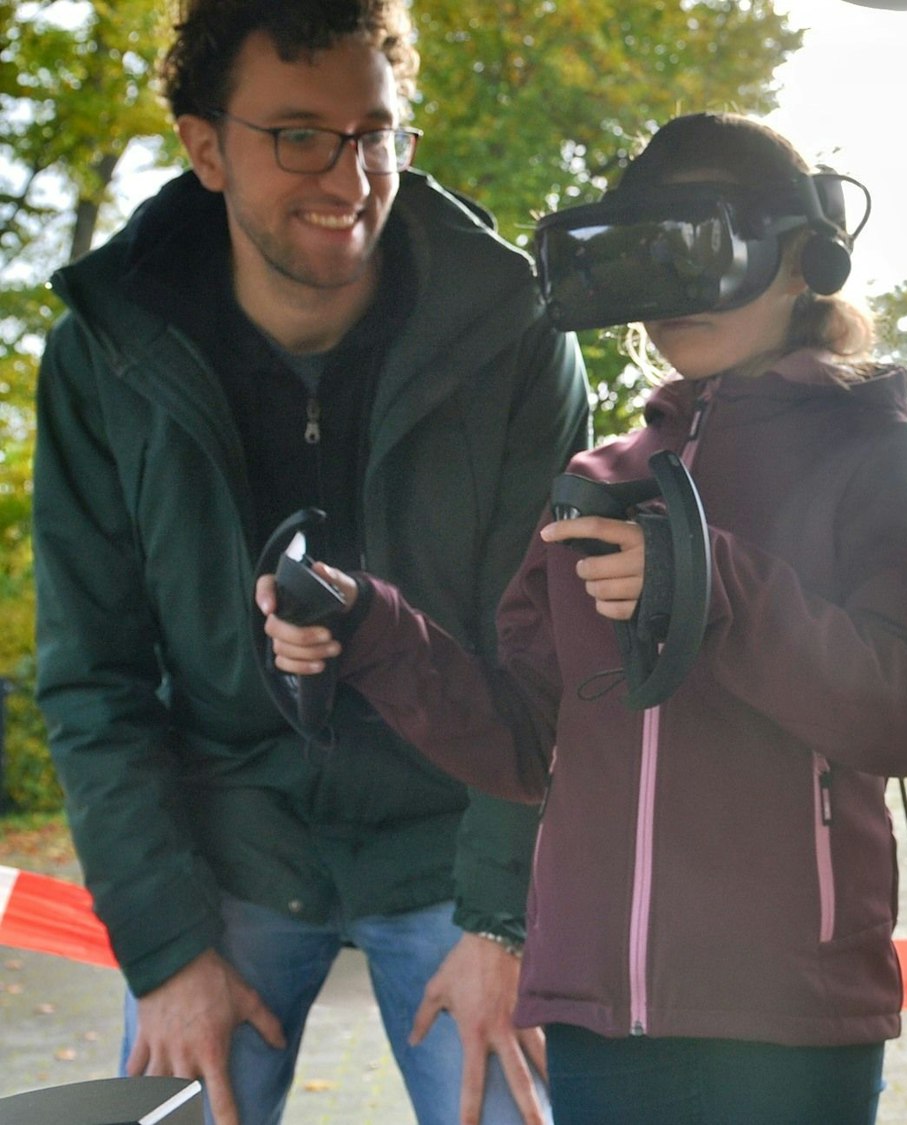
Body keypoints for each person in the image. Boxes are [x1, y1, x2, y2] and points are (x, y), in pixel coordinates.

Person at [263, 111, 907, 1124]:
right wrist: (368, 626)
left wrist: (712, 588)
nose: (668, 293)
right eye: (642, 256)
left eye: (696, 249)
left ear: (803, 258)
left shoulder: (873, 453)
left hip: (786, 1022)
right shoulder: (598, 482)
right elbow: (524, 743)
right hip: (598, 1023)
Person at [32, 1, 589, 1122]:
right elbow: (95, 678)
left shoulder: (519, 330)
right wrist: (164, 952)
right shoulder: (106, 350)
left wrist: (503, 922)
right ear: (204, 147)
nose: (351, 173)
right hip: (225, 851)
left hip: (459, 847)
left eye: (375, 132)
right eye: (299, 134)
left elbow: (552, 657)